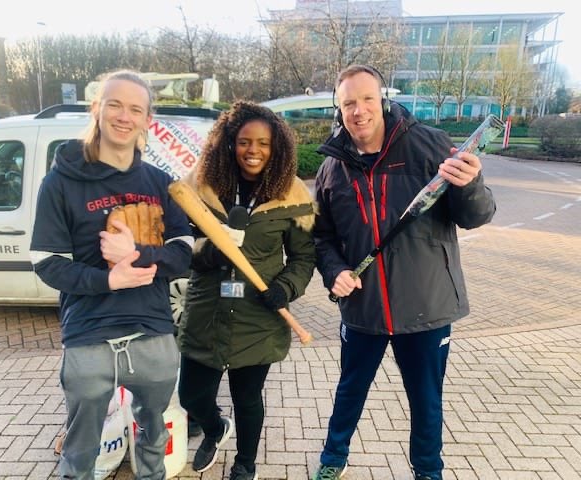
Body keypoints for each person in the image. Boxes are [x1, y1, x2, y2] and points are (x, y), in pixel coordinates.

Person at [311, 65, 496, 480]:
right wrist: (335, 271)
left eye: (366, 99)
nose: (358, 111)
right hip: (363, 307)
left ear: (384, 100)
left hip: (425, 305)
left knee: (426, 399)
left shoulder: (430, 146)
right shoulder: (331, 168)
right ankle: (332, 459)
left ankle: (428, 470)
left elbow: (476, 216)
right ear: (338, 111)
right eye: (348, 103)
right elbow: (322, 238)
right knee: (349, 391)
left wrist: (471, 184)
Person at [30, 69, 193, 480]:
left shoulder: (160, 183)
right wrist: (108, 280)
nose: (124, 116)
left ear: (146, 120)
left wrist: (136, 254)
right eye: (115, 104)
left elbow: (183, 252)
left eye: (135, 108)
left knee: (154, 435)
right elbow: (46, 262)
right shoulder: (60, 182)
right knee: (81, 449)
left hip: (153, 331)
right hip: (89, 333)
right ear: (96, 109)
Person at [176, 100, 316, 480]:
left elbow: (304, 257)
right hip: (207, 311)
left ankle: (245, 464)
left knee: (248, 399)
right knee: (191, 394)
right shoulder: (201, 184)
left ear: (277, 148)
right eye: (243, 141)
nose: (253, 151)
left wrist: (285, 288)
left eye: (264, 143)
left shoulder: (294, 194)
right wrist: (210, 253)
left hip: (259, 314)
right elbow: (178, 243)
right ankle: (215, 426)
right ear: (228, 143)